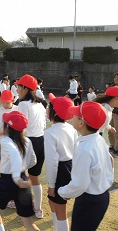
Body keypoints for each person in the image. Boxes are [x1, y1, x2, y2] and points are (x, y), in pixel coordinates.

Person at [58, 101, 114, 231]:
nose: (72, 117)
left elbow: (79, 184)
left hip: (89, 201)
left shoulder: (83, 149)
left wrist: (62, 192)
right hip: (102, 196)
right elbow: (110, 161)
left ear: (81, 122)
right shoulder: (98, 139)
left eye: (76, 115)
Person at [0, 111, 40, 231]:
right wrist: (21, 173)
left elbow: (14, 153)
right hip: (23, 180)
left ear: (8, 127)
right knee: (28, 223)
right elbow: (33, 161)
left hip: (8, 181)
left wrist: (16, 177)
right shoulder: (27, 141)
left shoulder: (6, 142)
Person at [44, 93, 78, 231]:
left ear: (54, 112)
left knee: (60, 208)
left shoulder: (50, 133)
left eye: (49, 106)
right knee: (54, 203)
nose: (46, 109)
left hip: (60, 170)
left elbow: (52, 163)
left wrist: (51, 185)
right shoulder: (71, 128)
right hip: (70, 167)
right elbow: (76, 151)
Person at [15, 74, 46, 219]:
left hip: (28, 142)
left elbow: (21, 127)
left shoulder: (23, 104)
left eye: (19, 87)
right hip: (41, 141)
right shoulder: (40, 103)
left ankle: (17, 202)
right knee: (34, 177)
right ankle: (38, 208)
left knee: (18, 173)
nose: (17, 90)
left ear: (26, 89)